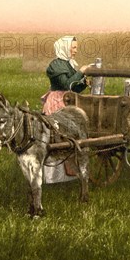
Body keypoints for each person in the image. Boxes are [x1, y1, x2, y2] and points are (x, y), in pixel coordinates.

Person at [41, 36, 90, 183]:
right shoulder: (56, 65)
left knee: (68, 136)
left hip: (68, 100)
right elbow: (66, 84)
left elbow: (74, 88)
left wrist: (83, 84)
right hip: (58, 102)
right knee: (57, 136)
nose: (75, 50)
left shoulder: (68, 64)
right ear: (65, 48)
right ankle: (53, 177)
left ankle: (67, 175)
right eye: (73, 47)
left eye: (76, 47)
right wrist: (80, 72)